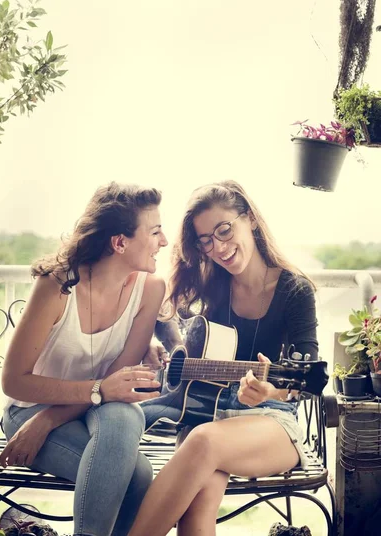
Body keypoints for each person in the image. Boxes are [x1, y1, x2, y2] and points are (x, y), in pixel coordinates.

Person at [129, 179, 319, 536]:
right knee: (196, 508)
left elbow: (303, 380)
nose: (219, 247)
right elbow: (158, 312)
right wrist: (163, 349)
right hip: (204, 409)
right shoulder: (208, 284)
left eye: (224, 230)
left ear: (249, 219)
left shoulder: (294, 290)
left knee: (202, 440)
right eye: (206, 240)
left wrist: (271, 391)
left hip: (271, 422)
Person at [0, 181, 168, 536]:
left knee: (125, 414)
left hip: (82, 411)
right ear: (120, 242)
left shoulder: (150, 290)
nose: (164, 242)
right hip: (29, 411)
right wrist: (44, 416)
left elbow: (117, 386)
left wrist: (52, 419)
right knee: (138, 476)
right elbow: (13, 381)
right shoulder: (57, 286)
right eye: (154, 232)